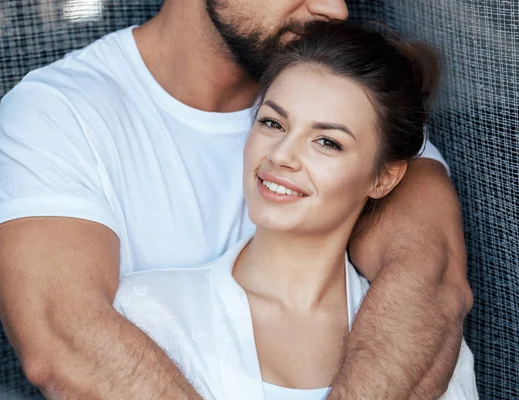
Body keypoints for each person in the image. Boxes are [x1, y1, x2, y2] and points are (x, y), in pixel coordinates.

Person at [0, 0, 472, 398]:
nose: (336, 9)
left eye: (327, 141)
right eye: (272, 123)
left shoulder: (342, 97)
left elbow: (426, 285)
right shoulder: (59, 113)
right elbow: (67, 343)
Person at [113, 21, 478, 399]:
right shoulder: (145, 314)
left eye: (327, 142)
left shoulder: (424, 342)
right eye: (273, 122)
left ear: (383, 179)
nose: (282, 155)